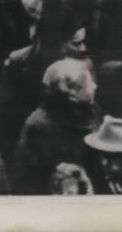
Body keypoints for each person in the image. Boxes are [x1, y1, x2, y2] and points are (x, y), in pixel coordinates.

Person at [11, 59, 100, 195]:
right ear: (72, 92)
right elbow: (28, 183)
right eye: (89, 82)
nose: (95, 86)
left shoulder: (91, 109)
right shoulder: (40, 126)